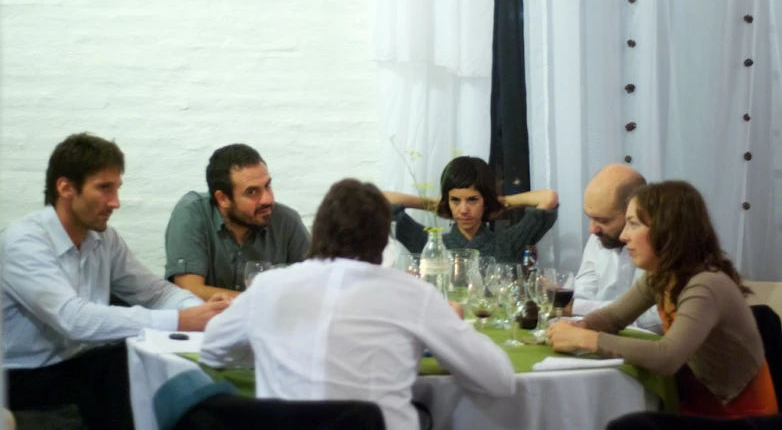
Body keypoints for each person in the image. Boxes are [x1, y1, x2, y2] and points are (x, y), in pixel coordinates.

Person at [200, 178, 516, 430]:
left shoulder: (268, 287)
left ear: (318, 230)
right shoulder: (412, 294)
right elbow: (500, 380)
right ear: (383, 241)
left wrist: (271, 345)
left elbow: (212, 349)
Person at [1, 133, 229, 430]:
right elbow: (74, 319)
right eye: (104, 189)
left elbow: (155, 292)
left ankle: (222, 409)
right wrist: (181, 320)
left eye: (117, 188)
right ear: (66, 188)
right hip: (18, 375)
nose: (116, 202)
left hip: (72, 363)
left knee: (137, 359)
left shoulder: (103, 238)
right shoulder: (23, 242)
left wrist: (202, 311)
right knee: (122, 364)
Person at [547, 181, 778, 417]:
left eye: (634, 224)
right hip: (697, 409)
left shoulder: (706, 284)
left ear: (668, 231)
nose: (625, 236)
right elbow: (613, 316)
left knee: (629, 423)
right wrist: (582, 325)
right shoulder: (661, 276)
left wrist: (587, 339)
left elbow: (667, 357)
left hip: (742, 418)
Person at [164, 144, 310, 300]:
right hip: (207, 323)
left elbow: (317, 284)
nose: (268, 199)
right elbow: (189, 291)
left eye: (267, 185)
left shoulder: (287, 221)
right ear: (223, 199)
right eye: (252, 192)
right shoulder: (192, 212)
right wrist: (257, 303)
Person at [384, 156, 558, 262]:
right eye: (455, 200)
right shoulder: (429, 244)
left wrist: (500, 202)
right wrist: (435, 204)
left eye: (472, 200)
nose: (463, 210)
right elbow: (380, 199)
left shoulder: (509, 243)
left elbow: (548, 198)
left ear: (485, 201)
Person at [568, 164, 663, 333]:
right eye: (590, 218)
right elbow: (584, 292)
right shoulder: (599, 236)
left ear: (635, 210)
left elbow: (653, 320)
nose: (592, 229)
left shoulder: (662, 244)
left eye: (603, 220)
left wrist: (573, 307)